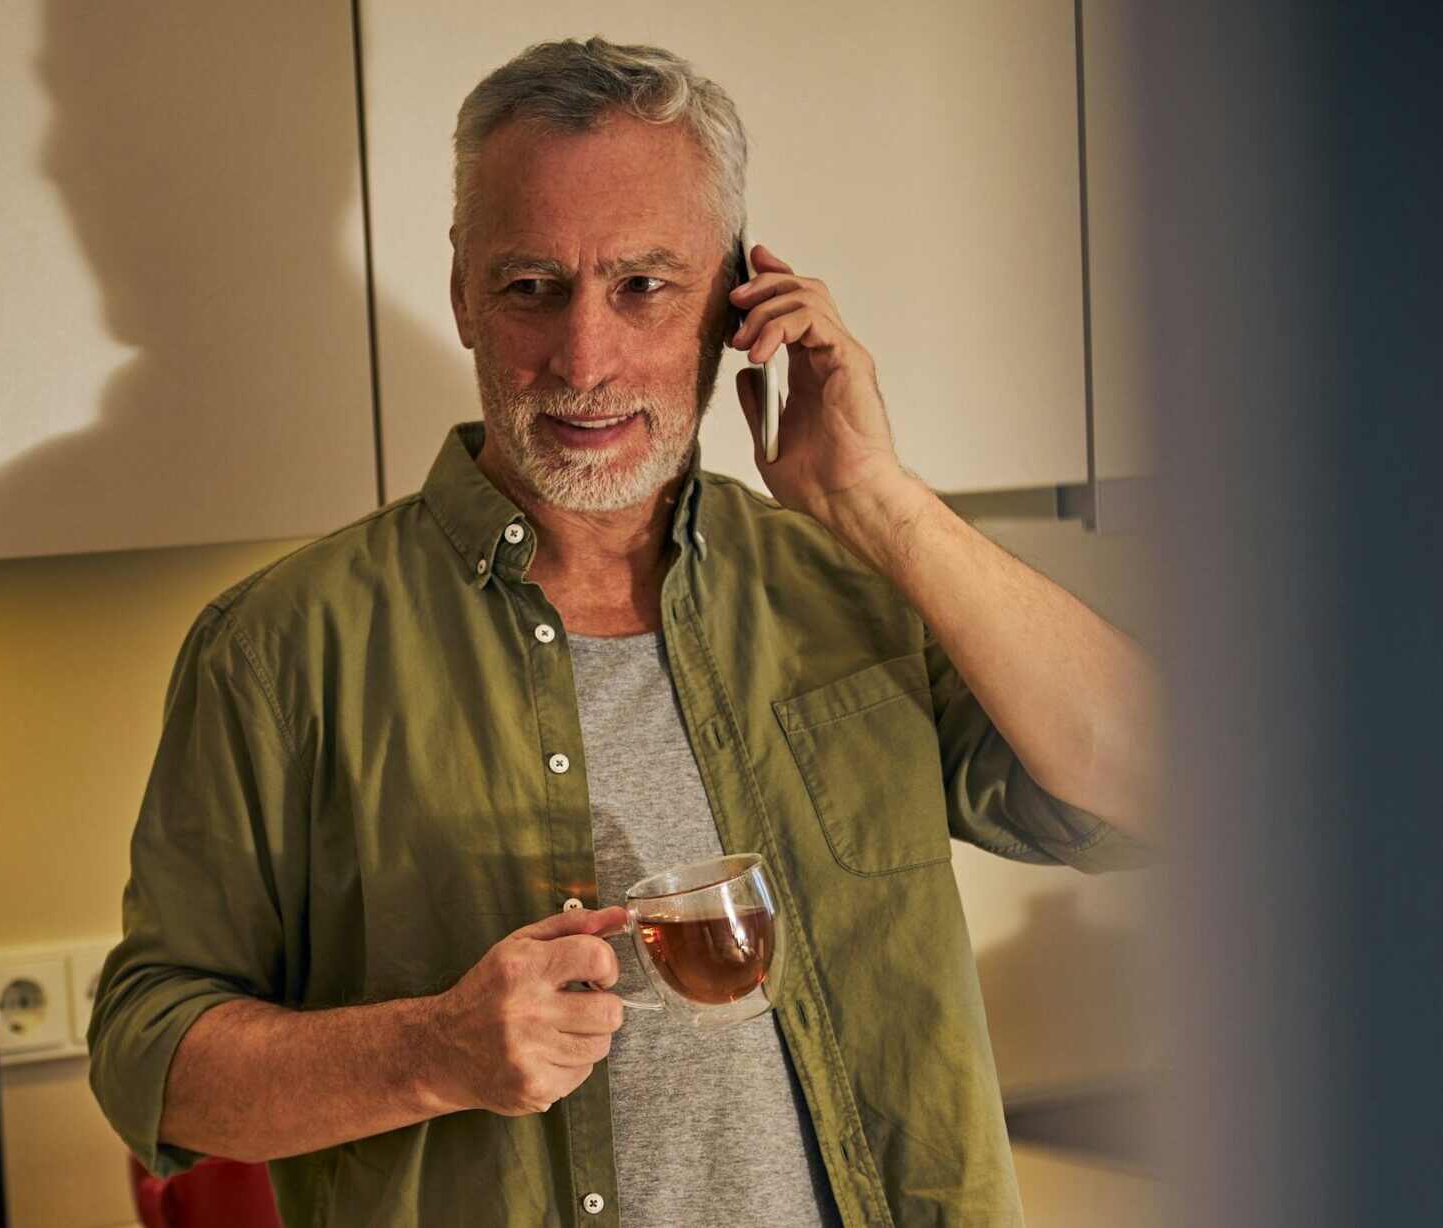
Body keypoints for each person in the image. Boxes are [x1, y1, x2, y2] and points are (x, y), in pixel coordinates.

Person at [88, 37, 1160, 1228]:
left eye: (643, 285)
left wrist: (882, 504)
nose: (584, 360)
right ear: (461, 293)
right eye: (530, 286)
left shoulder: (855, 587)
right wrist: (434, 1049)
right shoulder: (280, 651)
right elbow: (151, 1055)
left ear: (739, 295)